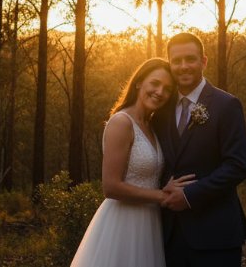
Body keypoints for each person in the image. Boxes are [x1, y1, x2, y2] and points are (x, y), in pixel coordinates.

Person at [70, 58, 195, 267]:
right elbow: (110, 187)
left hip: (150, 222)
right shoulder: (121, 122)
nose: (159, 92)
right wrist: (163, 195)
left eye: (167, 88)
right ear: (139, 82)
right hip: (123, 223)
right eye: (154, 83)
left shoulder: (152, 125)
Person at [154, 32, 246, 267]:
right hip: (170, 235)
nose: (183, 66)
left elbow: (237, 166)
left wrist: (188, 196)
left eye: (190, 59)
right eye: (176, 61)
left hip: (215, 234)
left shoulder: (226, 105)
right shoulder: (160, 109)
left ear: (204, 61)